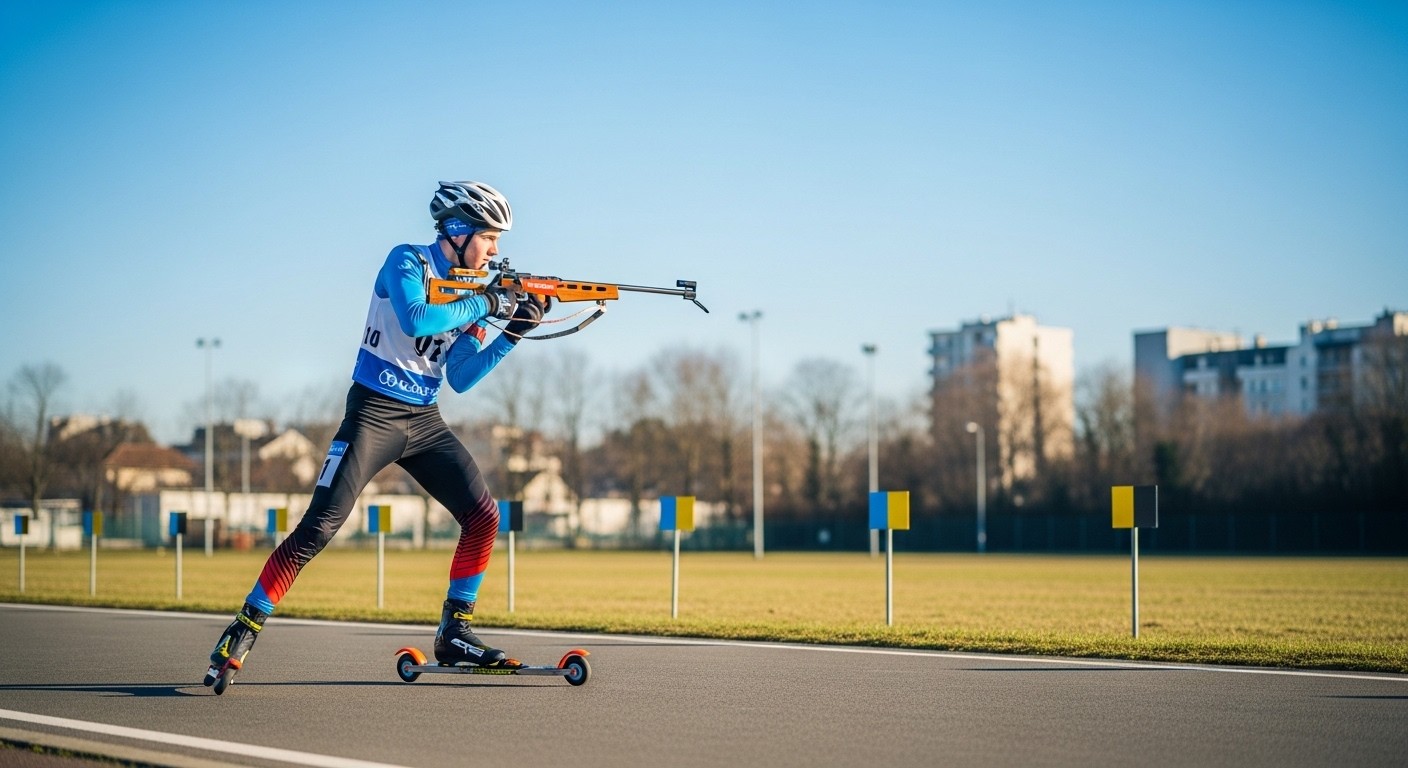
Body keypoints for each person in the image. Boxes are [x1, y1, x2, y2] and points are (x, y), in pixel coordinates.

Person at [204, 181, 544, 689]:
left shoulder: (474, 291)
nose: (496, 250)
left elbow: (461, 376)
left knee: (483, 516)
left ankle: (456, 630)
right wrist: (487, 303)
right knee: (317, 529)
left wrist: (512, 330)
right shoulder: (406, 260)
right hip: (373, 413)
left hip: (424, 420)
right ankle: (246, 625)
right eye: (490, 237)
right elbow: (417, 316)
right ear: (457, 231)